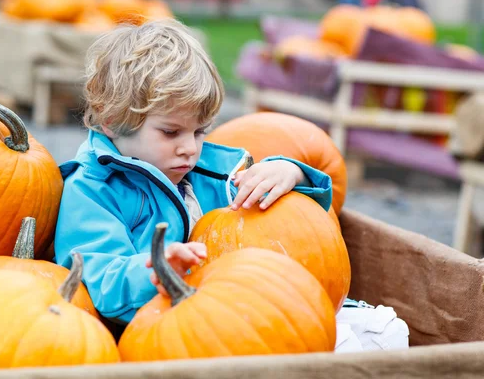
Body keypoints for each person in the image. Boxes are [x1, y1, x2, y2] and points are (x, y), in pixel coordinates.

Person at [54, 18, 409, 351]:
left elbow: (298, 230)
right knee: (341, 349)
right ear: (113, 120)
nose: (190, 148)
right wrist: (155, 268)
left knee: (389, 332)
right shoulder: (93, 190)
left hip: (248, 305)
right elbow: (94, 275)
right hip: (176, 331)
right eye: (171, 131)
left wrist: (291, 173)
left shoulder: (211, 170)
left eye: (199, 131)